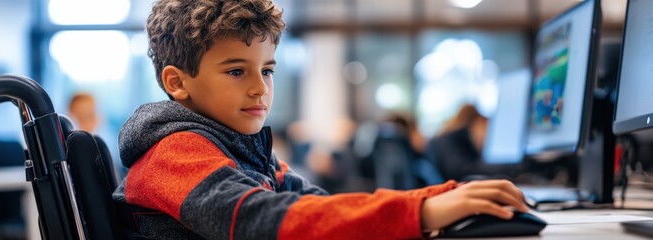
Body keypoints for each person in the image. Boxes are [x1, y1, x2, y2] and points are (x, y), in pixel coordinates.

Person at [113, 0, 529, 239]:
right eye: (237, 71)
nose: (261, 88)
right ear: (177, 82)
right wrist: (419, 213)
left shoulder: (240, 148)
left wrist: (437, 199)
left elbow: (317, 207)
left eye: (268, 70)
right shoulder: (175, 154)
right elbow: (263, 221)